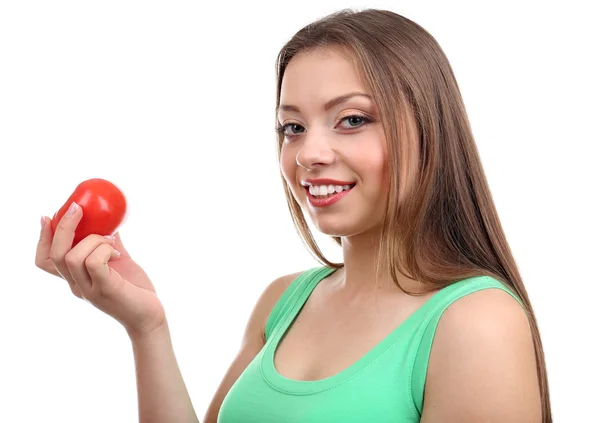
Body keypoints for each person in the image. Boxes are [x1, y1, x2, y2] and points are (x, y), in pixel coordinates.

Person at [34, 8, 551, 423]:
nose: (308, 154)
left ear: (429, 130)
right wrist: (147, 328)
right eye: (293, 127)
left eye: (351, 119)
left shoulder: (477, 323)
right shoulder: (284, 301)